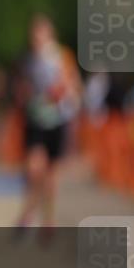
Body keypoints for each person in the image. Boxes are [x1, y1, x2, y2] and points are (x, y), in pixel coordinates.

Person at [11, 14, 82, 244]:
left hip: (58, 121)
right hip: (35, 122)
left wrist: (63, 92)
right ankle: (29, 211)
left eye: (40, 33)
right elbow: (21, 89)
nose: (36, 38)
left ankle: (48, 220)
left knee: (51, 177)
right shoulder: (27, 60)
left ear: (49, 34)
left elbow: (74, 86)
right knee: (34, 168)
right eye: (34, 34)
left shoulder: (62, 56)